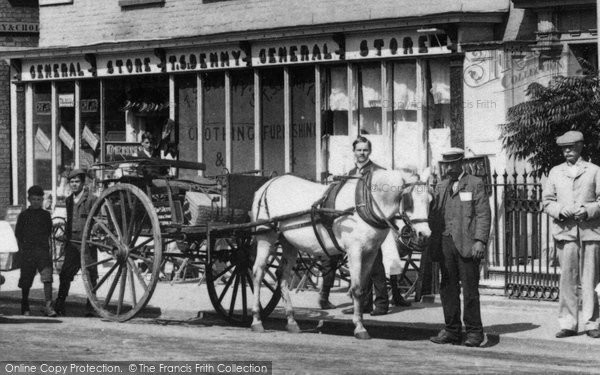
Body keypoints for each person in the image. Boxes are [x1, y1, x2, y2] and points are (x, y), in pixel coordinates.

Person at [318, 136, 390, 315]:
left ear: (370, 151)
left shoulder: (378, 172)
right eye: (359, 150)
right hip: (352, 228)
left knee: (375, 266)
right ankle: (363, 303)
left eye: (365, 150)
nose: (362, 153)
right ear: (354, 152)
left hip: (372, 226)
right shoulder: (349, 173)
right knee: (357, 266)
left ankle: (381, 304)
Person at [429, 147, 491, 347]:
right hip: (446, 243)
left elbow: (483, 214)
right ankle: (451, 330)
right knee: (447, 289)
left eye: (453, 163)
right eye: (446, 164)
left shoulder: (475, 183)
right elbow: (434, 215)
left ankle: (474, 332)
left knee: (470, 290)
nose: (449, 167)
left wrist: (480, 241)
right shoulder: (440, 186)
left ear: (461, 163)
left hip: (467, 244)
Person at [542, 130, 600, 339]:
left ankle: (592, 322)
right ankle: (568, 323)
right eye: (564, 148)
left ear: (581, 147)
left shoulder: (594, 171)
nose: (567, 151)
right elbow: (546, 201)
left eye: (571, 147)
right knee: (567, 280)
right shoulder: (555, 172)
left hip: (590, 233)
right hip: (566, 234)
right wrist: (559, 210)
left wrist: (588, 210)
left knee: (590, 279)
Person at [53, 169, 98, 316]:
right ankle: (60, 303)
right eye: (71, 182)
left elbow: (98, 221)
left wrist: (93, 234)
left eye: (77, 182)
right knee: (65, 273)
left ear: (83, 183)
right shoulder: (68, 200)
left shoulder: (91, 199)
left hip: (87, 242)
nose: (74, 184)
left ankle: (91, 306)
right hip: (72, 242)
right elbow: (69, 221)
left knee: (91, 274)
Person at [15, 185, 57, 317]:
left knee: (47, 278)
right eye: (33, 199)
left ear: (42, 200)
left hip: (43, 251)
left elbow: (48, 231)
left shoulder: (46, 215)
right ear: (29, 199)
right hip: (28, 252)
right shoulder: (23, 215)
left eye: (39, 199)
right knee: (26, 279)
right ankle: (25, 305)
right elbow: (18, 233)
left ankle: (48, 306)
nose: (36, 202)